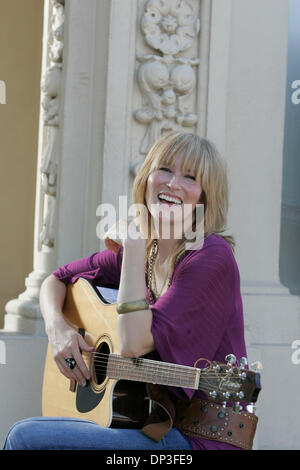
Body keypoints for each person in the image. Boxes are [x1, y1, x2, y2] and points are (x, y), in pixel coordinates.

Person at [3, 132, 256, 450]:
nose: (173, 183)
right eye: (164, 169)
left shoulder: (210, 256)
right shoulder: (145, 254)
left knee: (26, 439)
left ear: (205, 198)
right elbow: (56, 279)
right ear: (147, 177)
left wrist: (134, 246)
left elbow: (134, 343)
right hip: (152, 427)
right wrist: (58, 330)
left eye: (190, 177)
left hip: (201, 441)